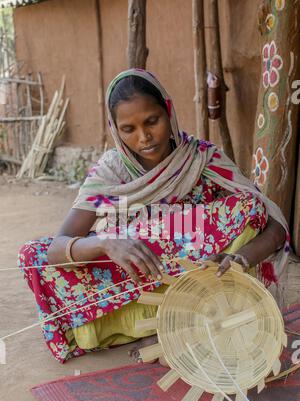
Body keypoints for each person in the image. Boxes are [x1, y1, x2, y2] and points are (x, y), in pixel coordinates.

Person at [18, 69, 289, 364]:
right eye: (128, 129)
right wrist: (107, 242)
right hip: (133, 276)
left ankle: (185, 320)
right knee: (34, 256)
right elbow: (59, 246)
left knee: (248, 206)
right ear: (115, 129)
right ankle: (155, 323)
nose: (144, 137)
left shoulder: (200, 160)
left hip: (202, 286)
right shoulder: (112, 172)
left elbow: (272, 227)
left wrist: (240, 258)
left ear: (168, 112)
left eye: (152, 121)